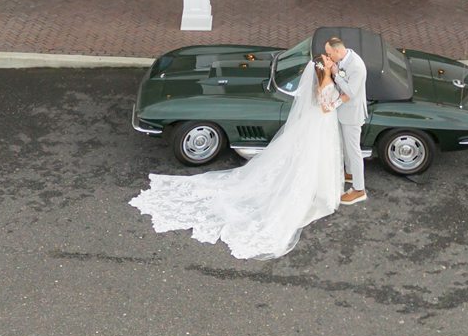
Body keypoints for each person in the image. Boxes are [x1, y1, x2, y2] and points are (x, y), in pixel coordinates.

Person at [130, 54, 342, 260]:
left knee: (311, 155)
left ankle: (317, 185)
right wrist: (340, 100)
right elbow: (325, 106)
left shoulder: (322, 80)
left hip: (316, 123)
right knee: (314, 156)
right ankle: (318, 187)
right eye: (330, 61)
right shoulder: (324, 84)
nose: (333, 62)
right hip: (321, 122)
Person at [323, 35, 370, 204]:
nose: (328, 57)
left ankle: (359, 190)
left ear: (337, 50)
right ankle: (350, 173)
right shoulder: (343, 59)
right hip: (344, 111)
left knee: (354, 151)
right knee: (346, 147)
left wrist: (336, 74)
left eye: (329, 53)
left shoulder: (357, 66)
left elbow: (350, 92)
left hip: (352, 114)